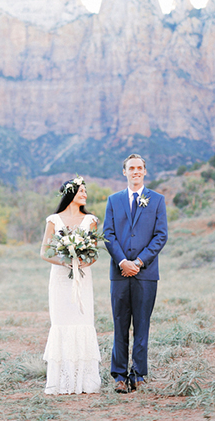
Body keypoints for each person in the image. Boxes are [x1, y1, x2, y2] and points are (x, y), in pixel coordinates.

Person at [103, 154, 168, 393]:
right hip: (119, 273)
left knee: (142, 324)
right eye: (131, 168)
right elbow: (108, 234)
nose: (136, 171)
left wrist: (139, 262)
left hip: (146, 274)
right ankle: (119, 376)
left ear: (145, 171)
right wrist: (122, 261)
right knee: (120, 325)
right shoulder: (113, 200)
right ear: (124, 172)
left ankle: (139, 374)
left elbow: (161, 235)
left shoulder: (157, 200)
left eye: (140, 168)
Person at [39, 176, 101, 395]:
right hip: (59, 279)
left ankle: (84, 381)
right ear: (70, 193)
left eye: (85, 190)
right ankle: (62, 381)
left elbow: (94, 253)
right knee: (61, 323)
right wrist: (66, 260)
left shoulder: (91, 220)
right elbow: (44, 252)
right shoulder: (54, 220)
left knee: (83, 321)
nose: (85, 194)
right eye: (81, 190)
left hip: (82, 278)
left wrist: (82, 261)